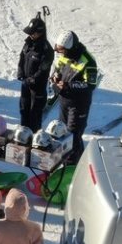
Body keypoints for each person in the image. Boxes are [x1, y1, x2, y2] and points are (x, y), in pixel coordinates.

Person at [51, 30, 98, 164]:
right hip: (64, 101)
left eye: (62, 50)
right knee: (63, 134)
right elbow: (57, 69)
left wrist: (68, 85)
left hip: (79, 104)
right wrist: (55, 78)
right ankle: (67, 161)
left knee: (74, 136)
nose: (60, 53)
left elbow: (90, 84)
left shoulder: (87, 60)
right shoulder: (64, 55)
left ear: (70, 48)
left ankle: (74, 165)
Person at [17, 13, 54, 132]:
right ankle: (22, 138)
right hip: (25, 85)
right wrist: (20, 72)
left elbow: (43, 70)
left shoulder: (46, 50)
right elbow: (22, 58)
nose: (30, 35)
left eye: (32, 33)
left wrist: (31, 80)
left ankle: (33, 140)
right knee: (24, 111)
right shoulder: (28, 43)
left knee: (34, 116)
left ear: (40, 32)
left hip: (37, 89)